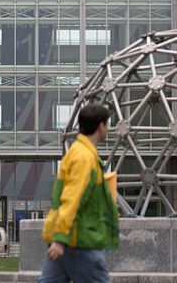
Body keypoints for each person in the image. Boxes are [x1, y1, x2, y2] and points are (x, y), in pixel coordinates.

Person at [39, 105, 119, 283]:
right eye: (107, 124)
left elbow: (76, 195)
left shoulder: (77, 152)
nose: (108, 129)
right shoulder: (84, 157)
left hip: (68, 235)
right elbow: (72, 198)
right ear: (100, 126)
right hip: (78, 239)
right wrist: (60, 240)